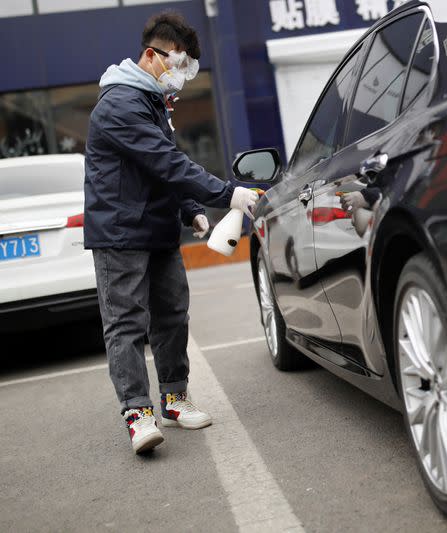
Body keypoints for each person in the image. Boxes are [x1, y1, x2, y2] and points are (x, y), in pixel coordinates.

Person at [84, 11, 259, 454]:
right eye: (178, 65)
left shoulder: (151, 102)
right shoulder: (120, 103)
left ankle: (175, 399)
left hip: (158, 229)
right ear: (151, 55)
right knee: (126, 322)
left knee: (172, 314)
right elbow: (165, 162)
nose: (182, 77)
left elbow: (162, 168)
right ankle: (137, 413)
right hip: (120, 233)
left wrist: (193, 210)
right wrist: (227, 193)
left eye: (188, 69)